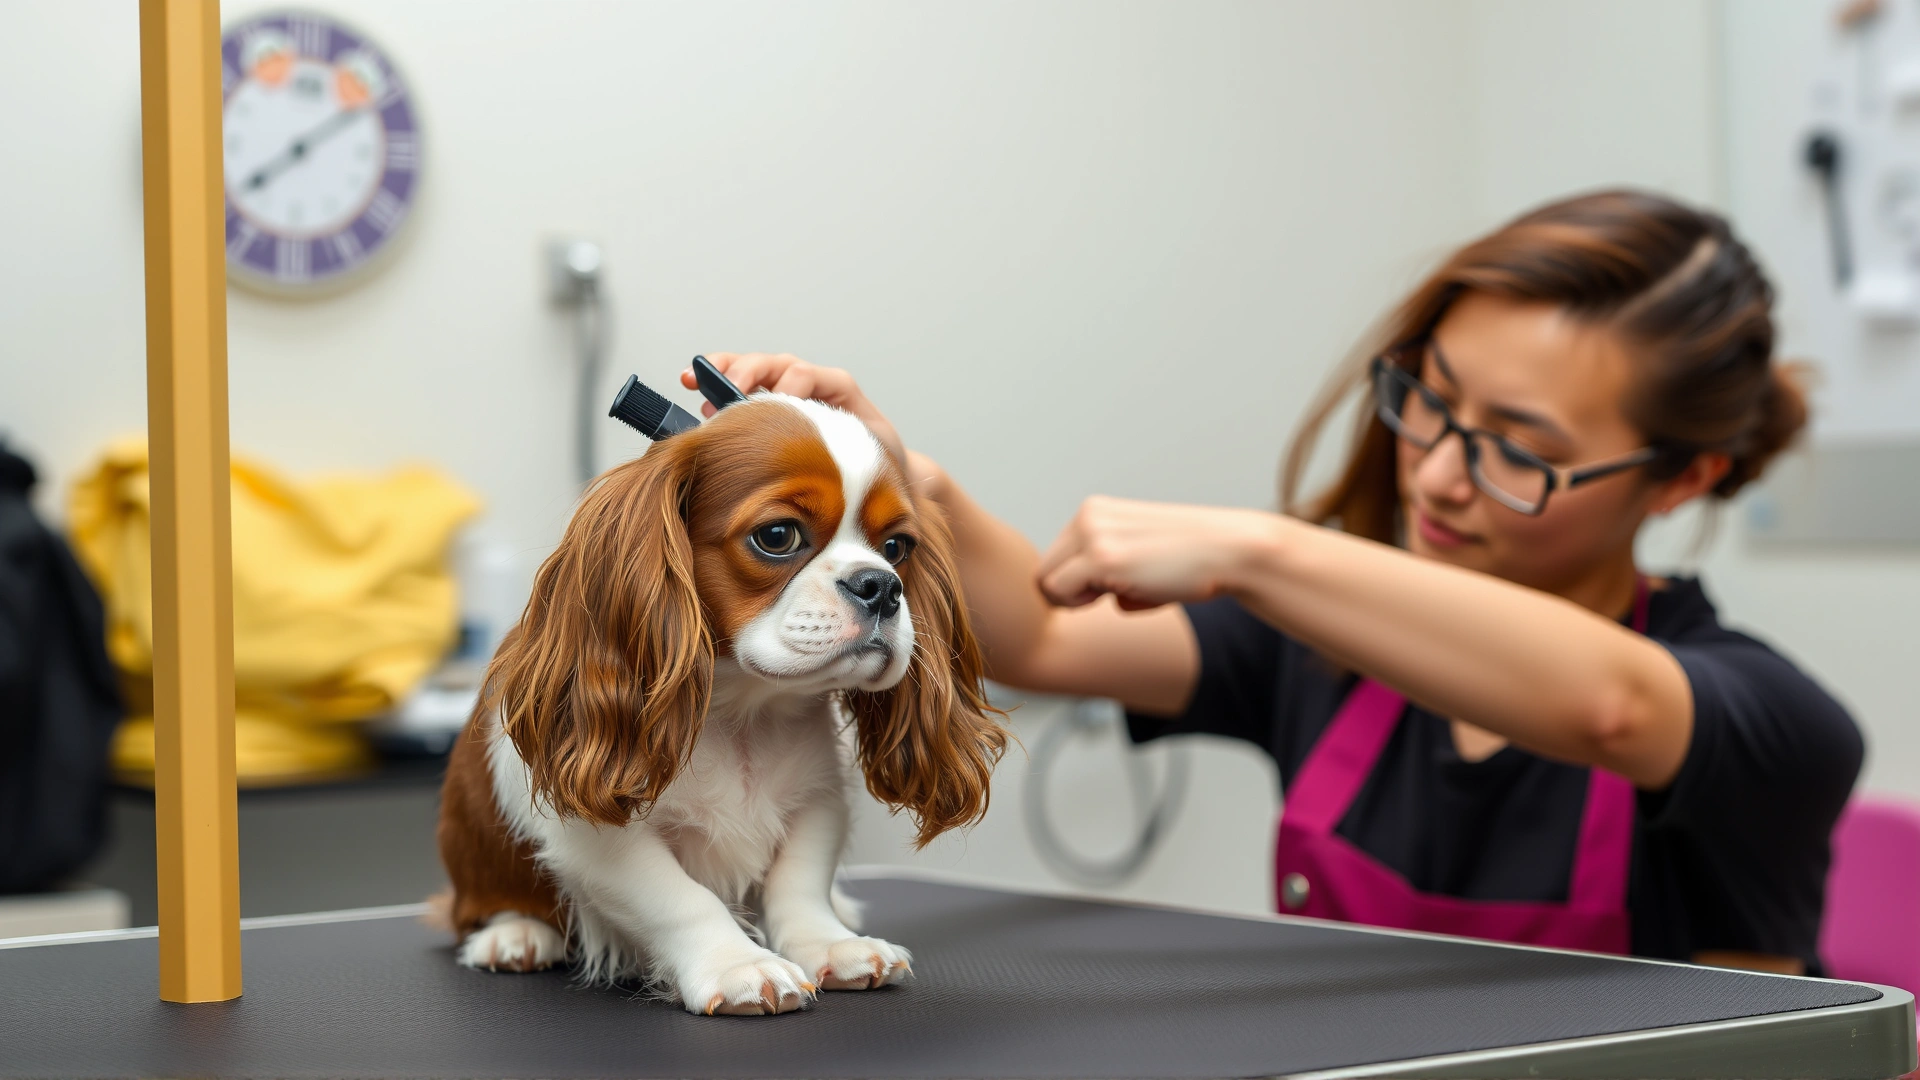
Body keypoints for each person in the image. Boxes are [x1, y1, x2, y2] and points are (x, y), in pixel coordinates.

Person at [687, 190, 1862, 975]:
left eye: (1518, 451)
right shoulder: (1320, 652)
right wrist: (895, 485)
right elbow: (1040, 637)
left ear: (1682, 479)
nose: (1440, 478)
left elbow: (1615, 706)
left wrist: (1261, 549)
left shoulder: (1776, 731)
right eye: (1431, 403)